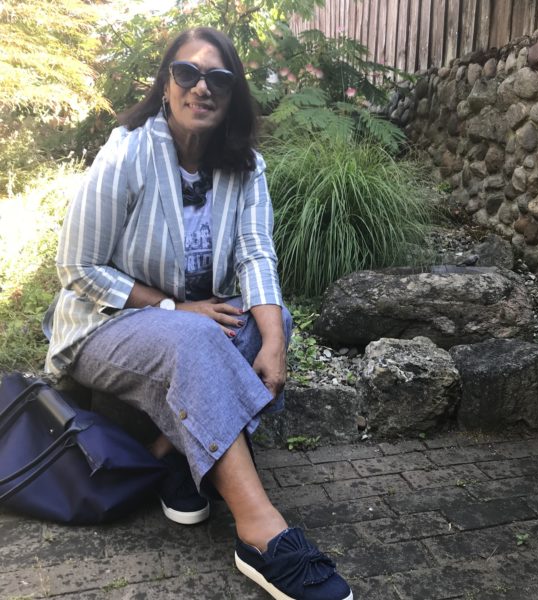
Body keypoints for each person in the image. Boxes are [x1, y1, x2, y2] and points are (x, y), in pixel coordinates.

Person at [43, 26, 353, 600]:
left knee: (272, 323)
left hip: (189, 322)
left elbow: (257, 254)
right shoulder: (127, 152)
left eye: (218, 78)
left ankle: (172, 457)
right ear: (166, 84)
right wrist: (174, 306)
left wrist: (275, 343)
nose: (201, 87)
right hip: (104, 324)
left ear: (233, 94)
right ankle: (260, 532)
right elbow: (78, 268)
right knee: (194, 337)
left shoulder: (246, 167)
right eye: (187, 73)